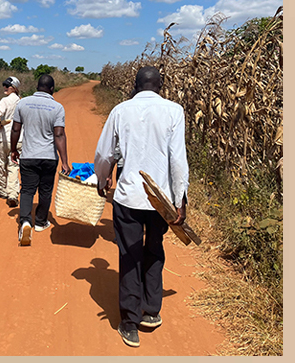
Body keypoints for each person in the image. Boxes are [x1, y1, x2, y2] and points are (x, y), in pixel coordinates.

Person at [93, 66, 189, 348]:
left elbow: (104, 152)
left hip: (129, 197)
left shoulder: (121, 111)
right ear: (161, 85)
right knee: (155, 248)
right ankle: (152, 311)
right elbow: (177, 158)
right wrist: (180, 197)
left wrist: (102, 177)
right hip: (160, 199)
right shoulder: (174, 111)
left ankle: (129, 322)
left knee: (129, 254)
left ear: (135, 85)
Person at [10, 74, 70, 246]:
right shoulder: (57, 107)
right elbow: (59, 134)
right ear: (52, 89)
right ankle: (41, 222)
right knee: (45, 190)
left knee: (27, 190)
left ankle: (25, 222)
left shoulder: (22, 103)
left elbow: (15, 129)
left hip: (29, 155)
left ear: (37, 86)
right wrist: (64, 161)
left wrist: (14, 150)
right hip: (49, 157)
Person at [0, 76, 22, 207]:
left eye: (7, 86)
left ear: (13, 88)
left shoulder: (4, 101)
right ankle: (13, 193)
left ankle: (3, 190)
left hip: (2, 139)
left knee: (2, 164)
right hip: (18, 138)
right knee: (14, 165)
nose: (5, 88)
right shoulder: (22, 102)